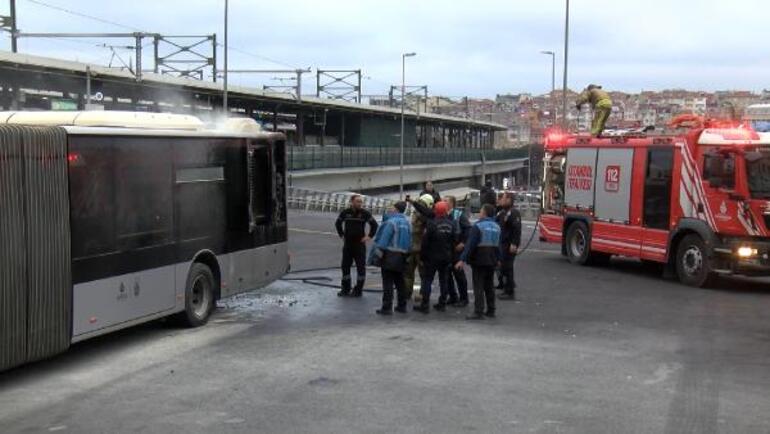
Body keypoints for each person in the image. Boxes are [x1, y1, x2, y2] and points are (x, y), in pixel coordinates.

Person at [456, 203, 502, 320]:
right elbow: (499, 245)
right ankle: (491, 310)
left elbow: (470, 245)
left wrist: (462, 260)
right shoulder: (497, 227)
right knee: (489, 285)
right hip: (492, 259)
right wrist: (499, 259)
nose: (480, 213)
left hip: (479, 259)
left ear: (485, 212)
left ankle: (478, 311)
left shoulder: (478, 226)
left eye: (481, 211)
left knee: (478, 286)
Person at [414, 201, 456, 314]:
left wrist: (422, 257)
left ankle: (425, 304)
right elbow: (453, 242)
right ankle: (442, 303)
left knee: (428, 280)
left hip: (432, 258)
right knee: (444, 280)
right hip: (446, 257)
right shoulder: (451, 224)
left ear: (436, 210)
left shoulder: (431, 224)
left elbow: (425, 242)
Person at [371, 201, 412, 315]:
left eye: (392, 208)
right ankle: (402, 305)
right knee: (400, 282)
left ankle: (387, 307)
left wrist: (377, 257)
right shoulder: (407, 223)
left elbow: (383, 241)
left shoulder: (391, 222)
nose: (390, 209)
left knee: (388, 282)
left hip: (390, 254)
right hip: (402, 255)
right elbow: (410, 242)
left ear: (396, 209)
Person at [334, 195, 378, 297]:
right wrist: (341, 235)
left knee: (361, 267)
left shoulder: (364, 213)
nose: (359, 204)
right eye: (357, 201)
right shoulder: (346, 213)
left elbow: (374, 225)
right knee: (345, 266)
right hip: (348, 245)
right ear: (352, 202)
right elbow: (338, 223)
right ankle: (345, 288)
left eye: (360, 202)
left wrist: (369, 237)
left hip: (359, 245)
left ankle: (358, 290)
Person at [404, 194, 435, 300]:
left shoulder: (417, 215)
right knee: (422, 274)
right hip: (421, 249)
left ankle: (407, 293)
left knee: (410, 273)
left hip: (414, 248)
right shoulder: (429, 216)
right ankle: (421, 294)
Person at [444, 195, 470, 307]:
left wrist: (463, 243)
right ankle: (453, 296)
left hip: (456, 248)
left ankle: (464, 298)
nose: (443, 202)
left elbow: (468, 230)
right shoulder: (443, 214)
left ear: (452, 203)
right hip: (446, 249)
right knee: (447, 274)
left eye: (445, 201)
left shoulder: (459, 215)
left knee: (458, 274)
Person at [496, 192, 522, 300]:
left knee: (508, 267)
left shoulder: (513, 213)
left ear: (509, 200)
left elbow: (517, 229)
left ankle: (510, 292)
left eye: (503, 198)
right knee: (503, 267)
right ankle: (506, 288)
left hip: (509, 244)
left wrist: (514, 244)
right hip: (502, 244)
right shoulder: (502, 213)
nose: (501, 200)